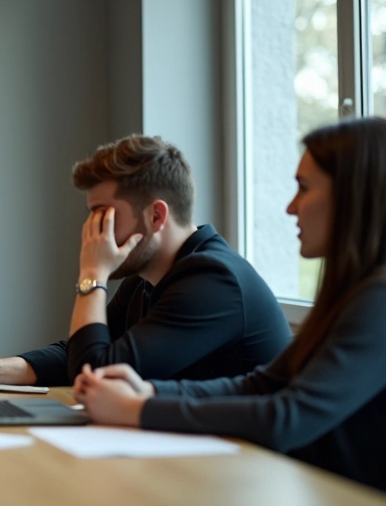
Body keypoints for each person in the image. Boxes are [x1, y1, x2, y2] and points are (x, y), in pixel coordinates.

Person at [74, 118, 386, 491]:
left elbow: (288, 416)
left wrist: (138, 409)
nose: (290, 207)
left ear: (355, 195)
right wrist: (152, 393)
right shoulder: (352, 293)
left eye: (303, 188)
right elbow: (264, 384)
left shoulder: (378, 302)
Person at [0, 135, 290, 388]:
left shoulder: (213, 280)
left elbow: (95, 373)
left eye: (104, 215)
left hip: (249, 468)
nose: (91, 230)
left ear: (157, 216)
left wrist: (93, 274)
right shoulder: (145, 279)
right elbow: (82, 352)